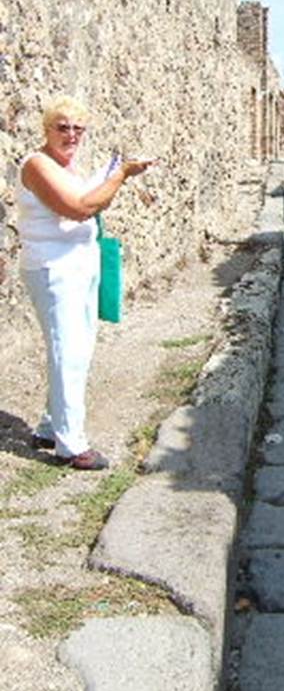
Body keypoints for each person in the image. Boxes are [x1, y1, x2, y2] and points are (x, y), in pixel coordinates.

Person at [16, 95, 153, 470]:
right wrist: (119, 176)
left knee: (77, 348)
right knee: (68, 351)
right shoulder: (37, 165)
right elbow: (78, 209)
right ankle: (71, 445)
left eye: (78, 128)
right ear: (46, 129)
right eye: (62, 127)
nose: (71, 135)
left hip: (77, 267)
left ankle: (50, 426)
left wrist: (112, 179)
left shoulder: (69, 169)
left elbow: (91, 200)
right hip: (52, 269)